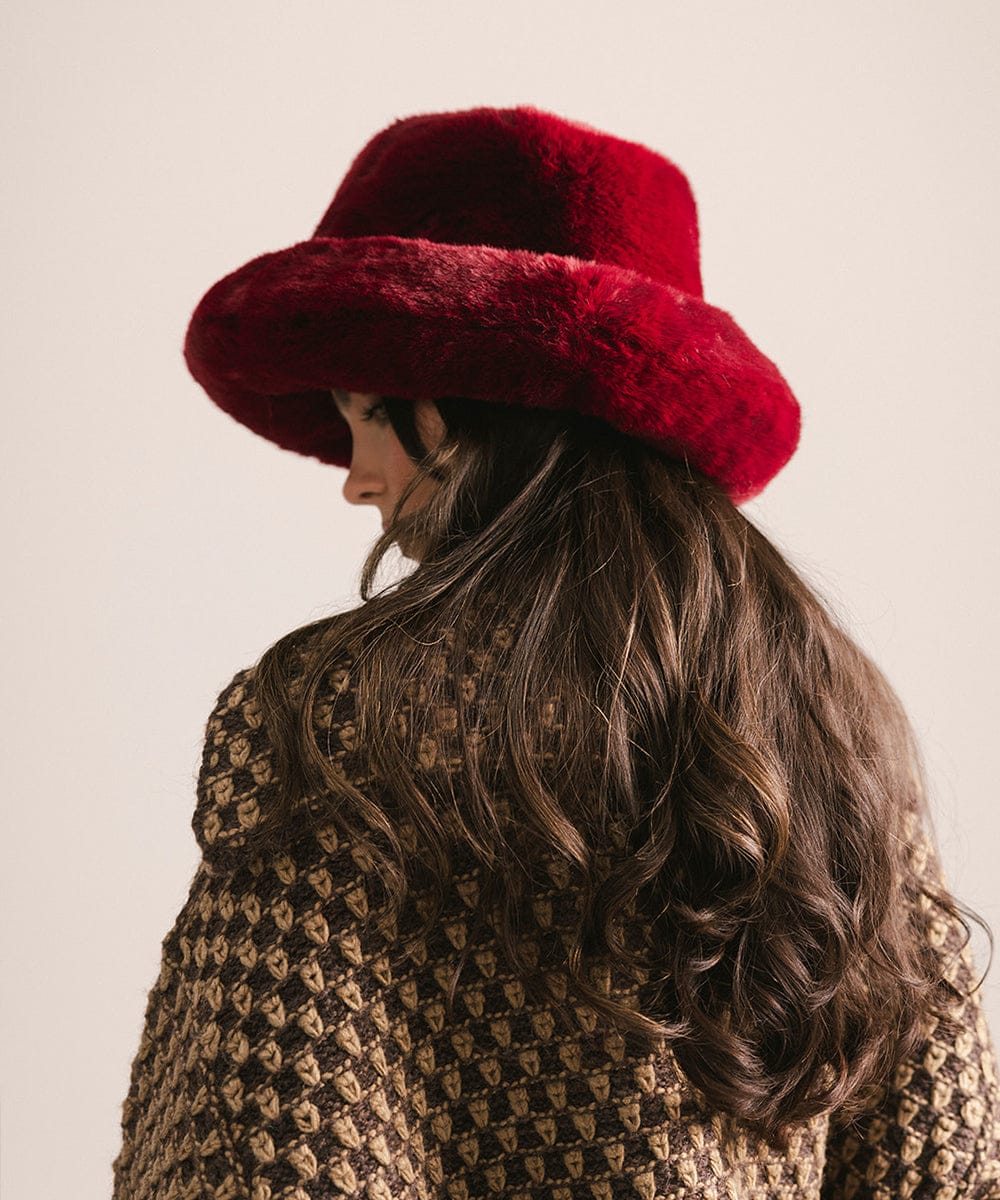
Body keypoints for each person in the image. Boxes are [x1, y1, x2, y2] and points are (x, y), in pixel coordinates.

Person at [110, 104, 1000, 1199]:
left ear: (454, 409)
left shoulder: (322, 719)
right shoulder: (823, 713)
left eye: (363, 419)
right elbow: (940, 1163)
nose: (354, 478)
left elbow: (260, 1151)